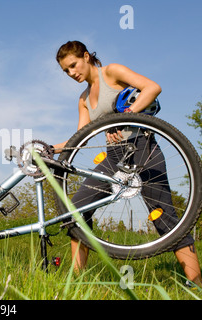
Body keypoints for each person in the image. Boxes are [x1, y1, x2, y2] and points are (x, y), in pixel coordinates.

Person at [53, 40, 202, 287]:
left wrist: (125, 117)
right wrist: (50, 148)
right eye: (66, 71)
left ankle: (196, 283)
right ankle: (76, 283)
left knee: (164, 215)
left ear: (86, 56)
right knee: (76, 210)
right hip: (114, 158)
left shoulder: (111, 72)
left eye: (73, 65)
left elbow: (152, 88)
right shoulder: (83, 99)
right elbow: (78, 139)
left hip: (142, 147)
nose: (71, 73)